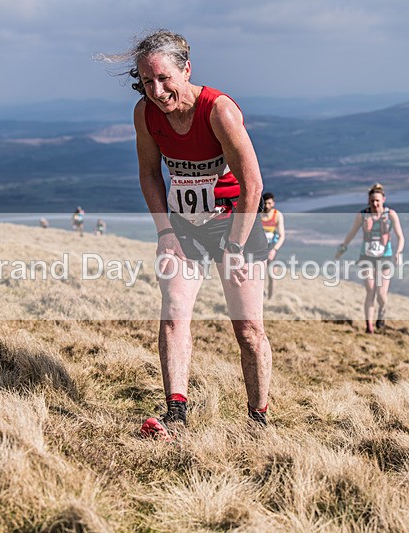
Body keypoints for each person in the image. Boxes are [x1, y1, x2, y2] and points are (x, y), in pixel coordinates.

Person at [111, 29, 272, 439]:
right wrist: (165, 230)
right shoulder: (145, 114)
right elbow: (149, 174)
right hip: (185, 225)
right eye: (147, 81)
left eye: (164, 78)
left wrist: (235, 246)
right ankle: (176, 415)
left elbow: (252, 183)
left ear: (186, 69)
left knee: (248, 329)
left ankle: (258, 419)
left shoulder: (218, 110)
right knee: (174, 312)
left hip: (236, 221)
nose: (157, 89)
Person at [335, 183, 405, 334]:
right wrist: (342, 248)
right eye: (372, 200)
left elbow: (401, 237)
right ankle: (369, 327)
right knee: (370, 291)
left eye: (377, 200)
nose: (375, 203)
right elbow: (351, 233)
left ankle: (382, 311)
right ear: (368, 200)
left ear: (383, 199)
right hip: (366, 257)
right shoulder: (362, 215)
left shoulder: (390, 215)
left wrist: (398, 253)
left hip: (385, 258)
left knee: (381, 294)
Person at [260, 192, 285, 300]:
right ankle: (260, 297)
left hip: (271, 249)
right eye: (265, 203)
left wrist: (274, 250)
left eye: (269, 203)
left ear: (273, 203)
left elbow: (282, 236)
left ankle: (270, 298)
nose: (267, 206)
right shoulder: (258, 214)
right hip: (258, 249)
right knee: (258, 275)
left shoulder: (277, 215)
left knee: (272, 276)